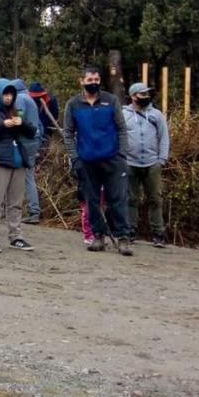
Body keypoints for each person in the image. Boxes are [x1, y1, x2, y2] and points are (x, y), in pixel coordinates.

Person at [64, 65, 133, 255]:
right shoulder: (73, 104)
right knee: (92, 201)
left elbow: (121, 128)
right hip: (86, 161)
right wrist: (75, 158)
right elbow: (68, 133)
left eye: (96, 80)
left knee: (118, 199)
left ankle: (123, 238)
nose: (93, 83)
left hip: (112, 159)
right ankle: (98, 236)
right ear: (81, 81)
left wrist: (121, 154)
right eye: (89, 80)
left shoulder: (111, 101)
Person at [0, 79, 38, 253]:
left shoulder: (15, 110)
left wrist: (22, 123)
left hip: (17, 159)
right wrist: (2, 125)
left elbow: (32, 132)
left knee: (16, 202)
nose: (8, 97)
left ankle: (16, 236)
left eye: (11, 94)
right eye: (5, 94)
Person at [122, 82, 169, 248]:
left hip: (152, 163)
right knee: (131, 199)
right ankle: (130, 231)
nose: (146, 97)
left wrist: (161, 159)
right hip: (129, 162)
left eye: (147, 94)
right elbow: (118, 136)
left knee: (155, 198)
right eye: (142, 95)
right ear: (133, 96)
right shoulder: (123, 114)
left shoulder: (156, 115)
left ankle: (158, 233)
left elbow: (164, 137)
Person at [11, 78, 44, 224]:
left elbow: (18, 119)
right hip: (34, 140)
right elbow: (39, 125)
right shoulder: (29, 98)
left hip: (24, 142)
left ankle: (32, 211)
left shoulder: (19, 99)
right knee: (28, 176)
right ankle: (33, 210)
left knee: (22, 176)